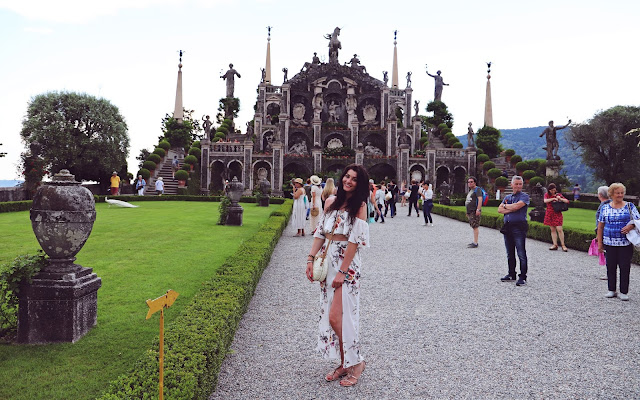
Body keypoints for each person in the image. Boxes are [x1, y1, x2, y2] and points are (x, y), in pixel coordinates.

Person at [305, 164, 369, 387]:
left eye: (354, 179)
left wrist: (343, 271)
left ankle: (357, 361)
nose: (348, 181)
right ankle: (345, 362)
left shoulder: (360, 206)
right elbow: (321, 233)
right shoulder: (331, 201)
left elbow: (355, 241)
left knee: (339, 317)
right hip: (328, 261)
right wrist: (310, 259)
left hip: (347, 265)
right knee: (333, 316)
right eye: (346, 176)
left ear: (359, 184)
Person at [597, 183, 640, 301]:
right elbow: (600, 226)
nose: (620, 195)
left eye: (622, 193)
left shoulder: (630, 206)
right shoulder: (605, 207)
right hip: (609, 243)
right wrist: (600, 244)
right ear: (611, 194)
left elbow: (637, 220)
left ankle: (624, 291)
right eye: (618, 193)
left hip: (625, 243)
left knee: (624, 267)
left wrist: (630, 226)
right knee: (610, 266)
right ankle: (611, 289)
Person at [498, 176, 530, 286]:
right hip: (508, 226)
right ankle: (511, 273)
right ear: (511, 185)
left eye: (520, 184)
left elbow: (517, 207)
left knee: (521, 252)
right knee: (509, 253)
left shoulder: (524, 197)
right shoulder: (507, 196)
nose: (518, 186)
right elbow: (499, 210)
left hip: (519, 227)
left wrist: (506, 206)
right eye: (516, 184)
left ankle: (523, 276)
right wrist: (510, 207)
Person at [543, 183, 570, 251]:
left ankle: (563, 245)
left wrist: (560, 198)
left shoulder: (558, 195)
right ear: (549, 190)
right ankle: (555, 244)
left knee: (559, 229)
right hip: (550, 213)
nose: (553, 191)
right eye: (551, 190)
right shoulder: (547, 195)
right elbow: (545, 201)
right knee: (552, 229)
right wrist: (553, 199)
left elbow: (567, 201)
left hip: (557, 213)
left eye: (554, 190)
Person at [594, 186, 610, 280]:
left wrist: (598, 235)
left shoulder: (603, 205)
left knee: (607, 253)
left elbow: (600, 223)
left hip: (604, 233)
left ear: (600, 195)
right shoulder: (610, 204)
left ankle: (609, 273)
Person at [465, 177, 483, 248]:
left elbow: (480, 199)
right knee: (473, 225)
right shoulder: (471, 190)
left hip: (474, 210)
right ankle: (474, 241)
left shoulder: (477, 189)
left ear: (475, 182)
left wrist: (478, 209)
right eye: (469, 182)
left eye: (471, 182)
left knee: (475, 226)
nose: (470, 183)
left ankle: (475, 242)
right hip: (470, 211)